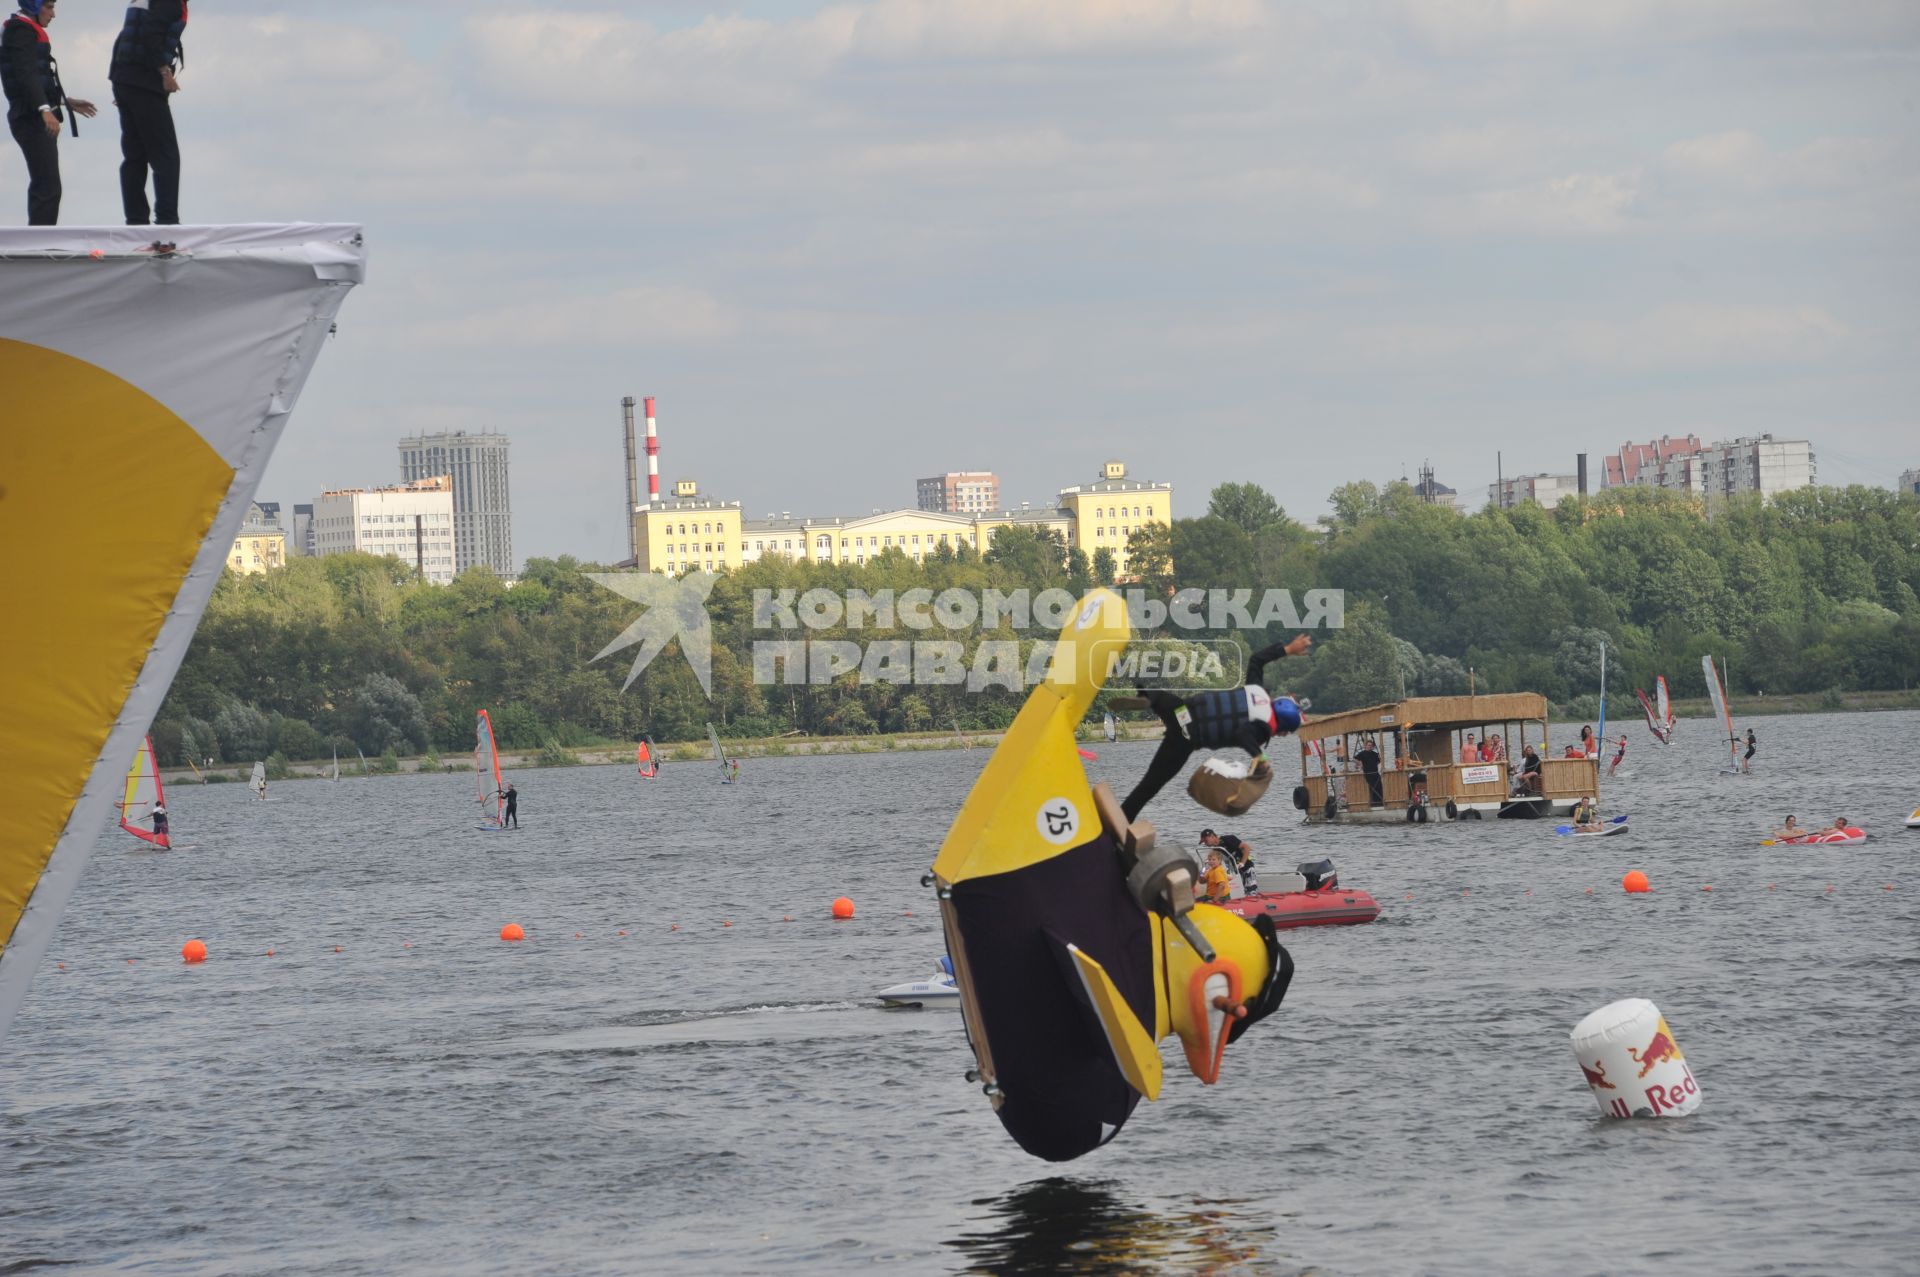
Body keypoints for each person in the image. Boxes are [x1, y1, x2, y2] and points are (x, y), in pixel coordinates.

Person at [1116, 633, 1310, 820]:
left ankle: (1147, 697)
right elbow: (1243, 733)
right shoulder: (1262, 728)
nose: (1282, 735)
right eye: (1284, 733)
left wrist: (1288, 649)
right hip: (1186, 737)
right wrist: (1260, 756)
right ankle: (1123, 819)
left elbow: (1257, 659)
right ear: (1283, 729)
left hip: (1184, 711)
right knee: (1151, 784)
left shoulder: (1256, 690)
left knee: (1160, 697)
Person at [3, 0, 96, 225]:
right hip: (30, 118)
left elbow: (38, 77)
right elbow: (26, 74)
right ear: (35, 6)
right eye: (50, 7)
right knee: (47, 186)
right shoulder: (19, 30)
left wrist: (64, 102)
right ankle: (39, 244)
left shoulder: (23, 30)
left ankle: (39, 240)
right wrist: (45, 109)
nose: (53, 14)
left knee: (48, 185)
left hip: (34, 115)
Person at [108, 0, 185, 225]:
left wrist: (121, 86)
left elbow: (124, 37)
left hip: (125, 78)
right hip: (144, 83)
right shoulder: (170, 2)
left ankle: (136, 222)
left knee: (135, 156)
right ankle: (167, 223)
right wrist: (164, 71)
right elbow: (150, 34)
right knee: (166, 156)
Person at [1200, 829, 1260, 896]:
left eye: (1205, 841)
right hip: (1235, 872)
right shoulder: (1215, 850)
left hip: (1247, 868)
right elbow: (1212, 864)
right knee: (1239, 892)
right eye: (1203, 842)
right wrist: (1202, 872)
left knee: (1251, 892)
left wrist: (1242, 863)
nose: (1205, 843)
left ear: (1212, 836)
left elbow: (1246, 847)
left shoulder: (1229, 839)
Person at [1354, 735, 1382, 808]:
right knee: (1372, 787)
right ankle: (1374, 802)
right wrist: (1360, 763)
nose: (1370, 746)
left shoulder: (1374, 754)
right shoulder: (1362, 753)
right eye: (1368, 745)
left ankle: (1380, 801)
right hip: (1368, 773)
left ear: (1372, 746)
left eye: (1371, 745)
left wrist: (1375, 763)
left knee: (1379, 786)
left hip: (1375, 773)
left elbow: (1379, 761)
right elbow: (1355, 759)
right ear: (1365, 746)